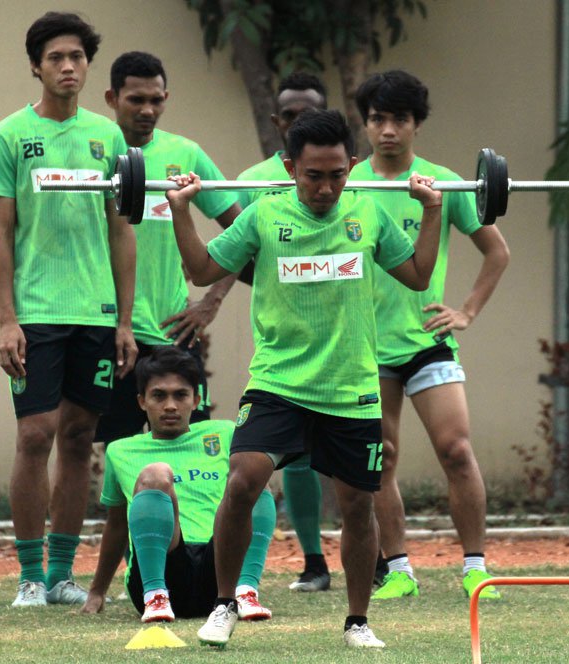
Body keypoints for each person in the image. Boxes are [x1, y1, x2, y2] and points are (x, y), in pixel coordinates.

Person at [167, 109, 443, 649]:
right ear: (291, 167)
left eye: (337, 174)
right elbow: (201, 272)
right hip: (279, 382)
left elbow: (418, 275)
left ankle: (357, 621)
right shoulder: (264, 217)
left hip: (351, 387)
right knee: (243, 480)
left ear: (353, 166)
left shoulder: (368, 215)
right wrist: (181, 211)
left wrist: (432, 209)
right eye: (313, 175)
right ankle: (224, 605)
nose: (325, 187)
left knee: (358, 506)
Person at [0, 11, 137, 608]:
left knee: (77, 438)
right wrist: (6, 319)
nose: (68, 67)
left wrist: (124, 320)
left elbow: (122, 231)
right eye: (56, 58)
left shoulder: (110, 137)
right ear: (36, 67)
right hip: (37, 312)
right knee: (34, 435)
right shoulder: (10, 136)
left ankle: (62, 577)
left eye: (76, 57)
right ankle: (27, 577)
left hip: (96, 315)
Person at [351, 70, 510, 601]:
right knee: (383, 457)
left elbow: (497, 251)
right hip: (367, 346)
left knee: (457, 451)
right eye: (378, 119)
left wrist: (466, 310)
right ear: (366, 124)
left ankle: (475, 569)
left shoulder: (442, 182)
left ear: (417, 124)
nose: (388, 130)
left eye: (399, 119)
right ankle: (399, 570)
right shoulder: (347, 184)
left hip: (426, 343)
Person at [96, 51, 242, 439]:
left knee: (193, 449)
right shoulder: (95, 153)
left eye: (156, 100)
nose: (148, 109)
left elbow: (245, 233)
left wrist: (212, 300)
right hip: (110, 332)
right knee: (117, 452)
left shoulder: (186, 154)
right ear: (112, 98)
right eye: (136, 100)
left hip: (173, 335)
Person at [80, 346, 276, 623]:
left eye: (180, 395)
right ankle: (155, 596)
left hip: (220, 575)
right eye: (159, 396)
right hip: (164, 571)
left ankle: (245, 591)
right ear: (141, 401)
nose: (170, 405)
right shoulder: (121, 450)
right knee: (156, 474)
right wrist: (97, 591)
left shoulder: (224, 433)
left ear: (196, 400)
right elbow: (117, 524)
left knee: (254, 481)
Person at [237, 72, 333, 593]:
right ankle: (315, 562)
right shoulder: (253, 182)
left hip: (346, 338)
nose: (299, 124)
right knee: (293, 456)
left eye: (309, 115)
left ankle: (390, 560)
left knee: (368, 456)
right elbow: (237, 256)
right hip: (286, 342)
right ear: (277, 124)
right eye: (291, 117)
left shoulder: (350, 181)